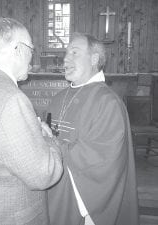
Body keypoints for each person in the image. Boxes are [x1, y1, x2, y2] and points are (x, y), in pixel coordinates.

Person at [0, 17, 63, 225]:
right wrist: (48, 139)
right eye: (31, 49)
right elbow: (43, 174)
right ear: (17, 49)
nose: (31, 57)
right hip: (10, 216)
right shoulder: (11, 98)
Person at [46, 32, 139, 225]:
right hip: (54, 192)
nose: (65, 59)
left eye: (74, 53)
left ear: (94, 59)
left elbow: (100, 161)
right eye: (66, 53)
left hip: (82, 201)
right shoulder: (58, 98)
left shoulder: (108, 102)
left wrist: (53, 145)